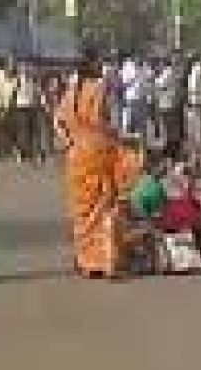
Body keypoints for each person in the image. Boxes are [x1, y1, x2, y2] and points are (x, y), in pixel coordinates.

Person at [57, 51, 140, 280]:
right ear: (93, 65)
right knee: (104, 206)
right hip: (98, 152)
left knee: (82, 211)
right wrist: (123, 138)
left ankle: (86, 261)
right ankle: (106, 260)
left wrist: (70, 141)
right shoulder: (99, 88)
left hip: (76, 156)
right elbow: (103, 122)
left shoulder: (71, 91)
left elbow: (59, 122)